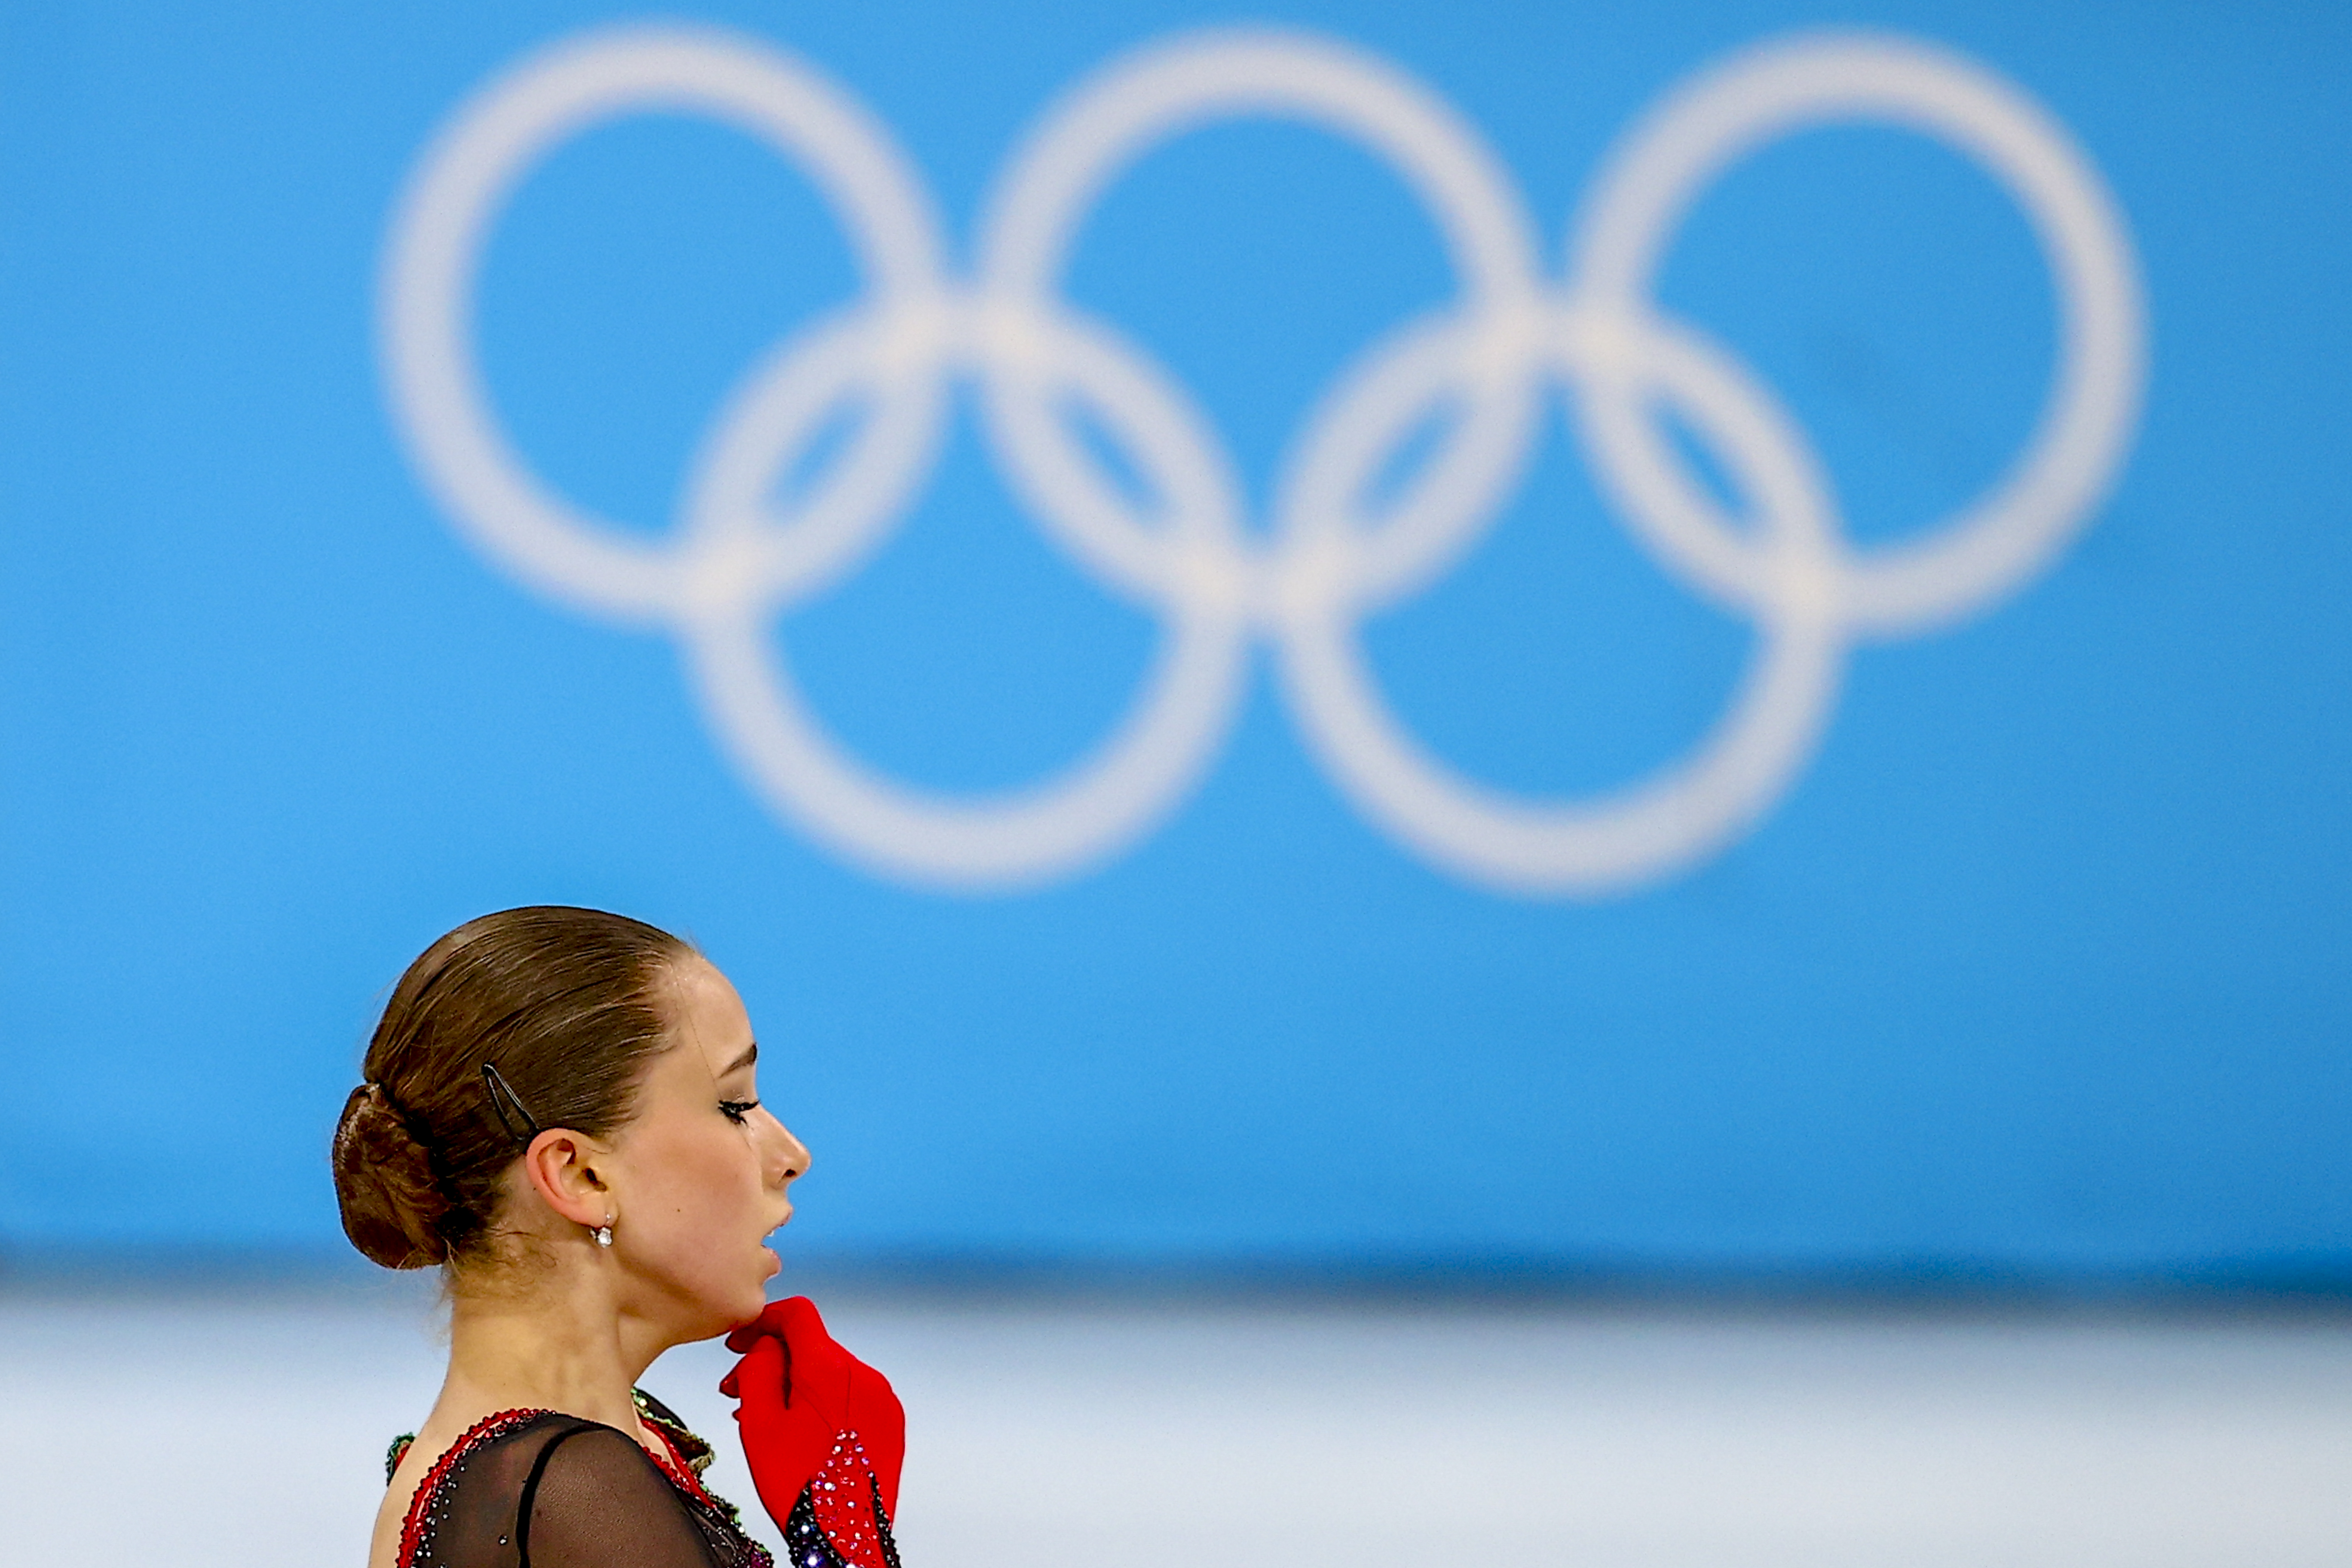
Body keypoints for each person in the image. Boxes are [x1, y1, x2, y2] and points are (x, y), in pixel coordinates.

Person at [331, 906, 905, 1568]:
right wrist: (843, 1534)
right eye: (735, 1106)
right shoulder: (573, 1493)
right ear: (580, 1175)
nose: (792, 1154)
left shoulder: (589, 1452)